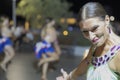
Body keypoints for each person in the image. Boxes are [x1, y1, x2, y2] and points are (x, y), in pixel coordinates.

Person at [56, 2, 120, 80]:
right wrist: (69, 77)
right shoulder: (94, 48)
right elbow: (86, 62)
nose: (91, 37)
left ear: (107, 20)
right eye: (85, 31)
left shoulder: (118, 54)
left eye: (95, 28)